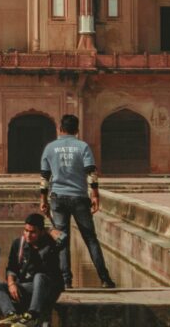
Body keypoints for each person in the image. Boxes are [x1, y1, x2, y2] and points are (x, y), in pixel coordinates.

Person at [39, 114, 116, 290]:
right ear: (77, 130)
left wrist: (43, 199)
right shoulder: (82, 147)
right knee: (90, 239)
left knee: (62, 240)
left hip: (58, 198)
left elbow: (44, 177)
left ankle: (66, 281)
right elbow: (91, 173)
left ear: (60, 128)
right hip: (80, 197)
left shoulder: (50, 148)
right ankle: (105, 279)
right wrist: (95, 195)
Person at [0, 213, 66, 327]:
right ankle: (11, 315)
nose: (28, 235)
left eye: (33, 232)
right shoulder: (18, 244)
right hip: (28, 287)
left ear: (42, 232)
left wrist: (48, 230)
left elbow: (63, 238)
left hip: (48, 288)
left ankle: (32, 316)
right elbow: (11, 267)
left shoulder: (50, 245)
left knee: (39, 277)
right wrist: (11, 283)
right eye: (26, 230)